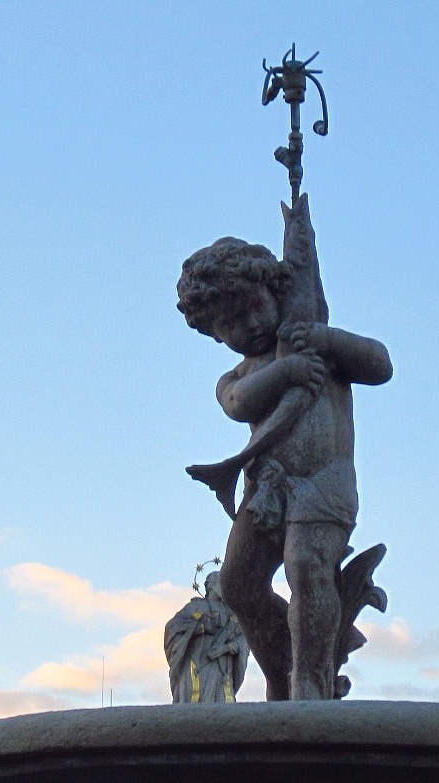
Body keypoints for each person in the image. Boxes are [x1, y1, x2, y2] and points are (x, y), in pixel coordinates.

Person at [176, 196, 392, 700]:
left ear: (275, 290)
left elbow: (381, 364)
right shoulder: (239, 375)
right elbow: (238, 403)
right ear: (213, 334)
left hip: (323, 483)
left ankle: (309, 681)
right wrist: (289, 370)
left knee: (306, 567)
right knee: (238, 584)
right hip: (267, 492)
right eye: (230, 324)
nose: (249, 325)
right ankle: (284, 666)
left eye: (254, 308)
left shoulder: (314, 340)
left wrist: (326, 341)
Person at [164, 571, 248, 703]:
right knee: (195, 700)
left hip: (222, 667)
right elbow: (173, 627)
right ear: (211, 586)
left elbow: (244, 637)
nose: (226, 588)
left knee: (223, 702)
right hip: (198, 662)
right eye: (222, 584)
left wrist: (232, 646)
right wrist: (200, 628)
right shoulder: (196, 607)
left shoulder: (231, 612)